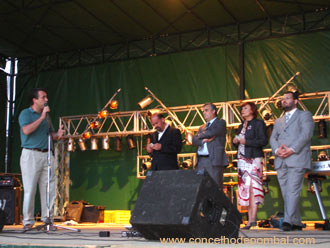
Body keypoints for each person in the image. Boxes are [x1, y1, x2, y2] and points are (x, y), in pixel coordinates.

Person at [19, 88, 65, 231]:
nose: (46, 100)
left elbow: (48, 135)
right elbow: (26, 131)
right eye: (43, 97)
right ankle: (28, 221)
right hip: (31, 154)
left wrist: (57, 134)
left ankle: (47, 220)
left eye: (46, 97)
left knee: (49, 189)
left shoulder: (46, 118)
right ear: (34, 100)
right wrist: (41, 118)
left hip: (47, 154)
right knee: (30, 188)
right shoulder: (26, 113)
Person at [270, 91, 314, 231]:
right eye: (283, 99)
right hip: (280, 159)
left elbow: (306, 134)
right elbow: (273, 138)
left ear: (295, 101)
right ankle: (296, 221)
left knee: (292, 190)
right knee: (285, 192)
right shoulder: (278, 121)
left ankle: (288, 221)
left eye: (287, 98)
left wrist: (292, 149)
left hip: (297, 157)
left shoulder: (304, 115)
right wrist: (277, 150)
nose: (284, 101)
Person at [233, 102, 268, 229]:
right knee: (245, 189)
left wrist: (246, 141)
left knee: (254, 187)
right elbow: (237, 140)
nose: (242, 110)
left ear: (252, 110)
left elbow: (263, 141)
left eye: (245, 108)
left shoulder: (258, 124)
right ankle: (250, 219)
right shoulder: (241, 125)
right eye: (242, 109)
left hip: (253, 159)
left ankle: (252, 219)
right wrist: (235, 141)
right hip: (242, 160)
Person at [192, 103, 228, 189]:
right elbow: (193, 140)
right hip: (201, 161)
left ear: (213, 111)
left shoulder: (220, 123)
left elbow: (212, 132)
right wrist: (202, 141)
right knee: (201, 188)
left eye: (206, 110)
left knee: (215, 187)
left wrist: (199, 136)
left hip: (214, 160)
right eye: (203, 111)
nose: (204, 113)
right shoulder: (202, 127)